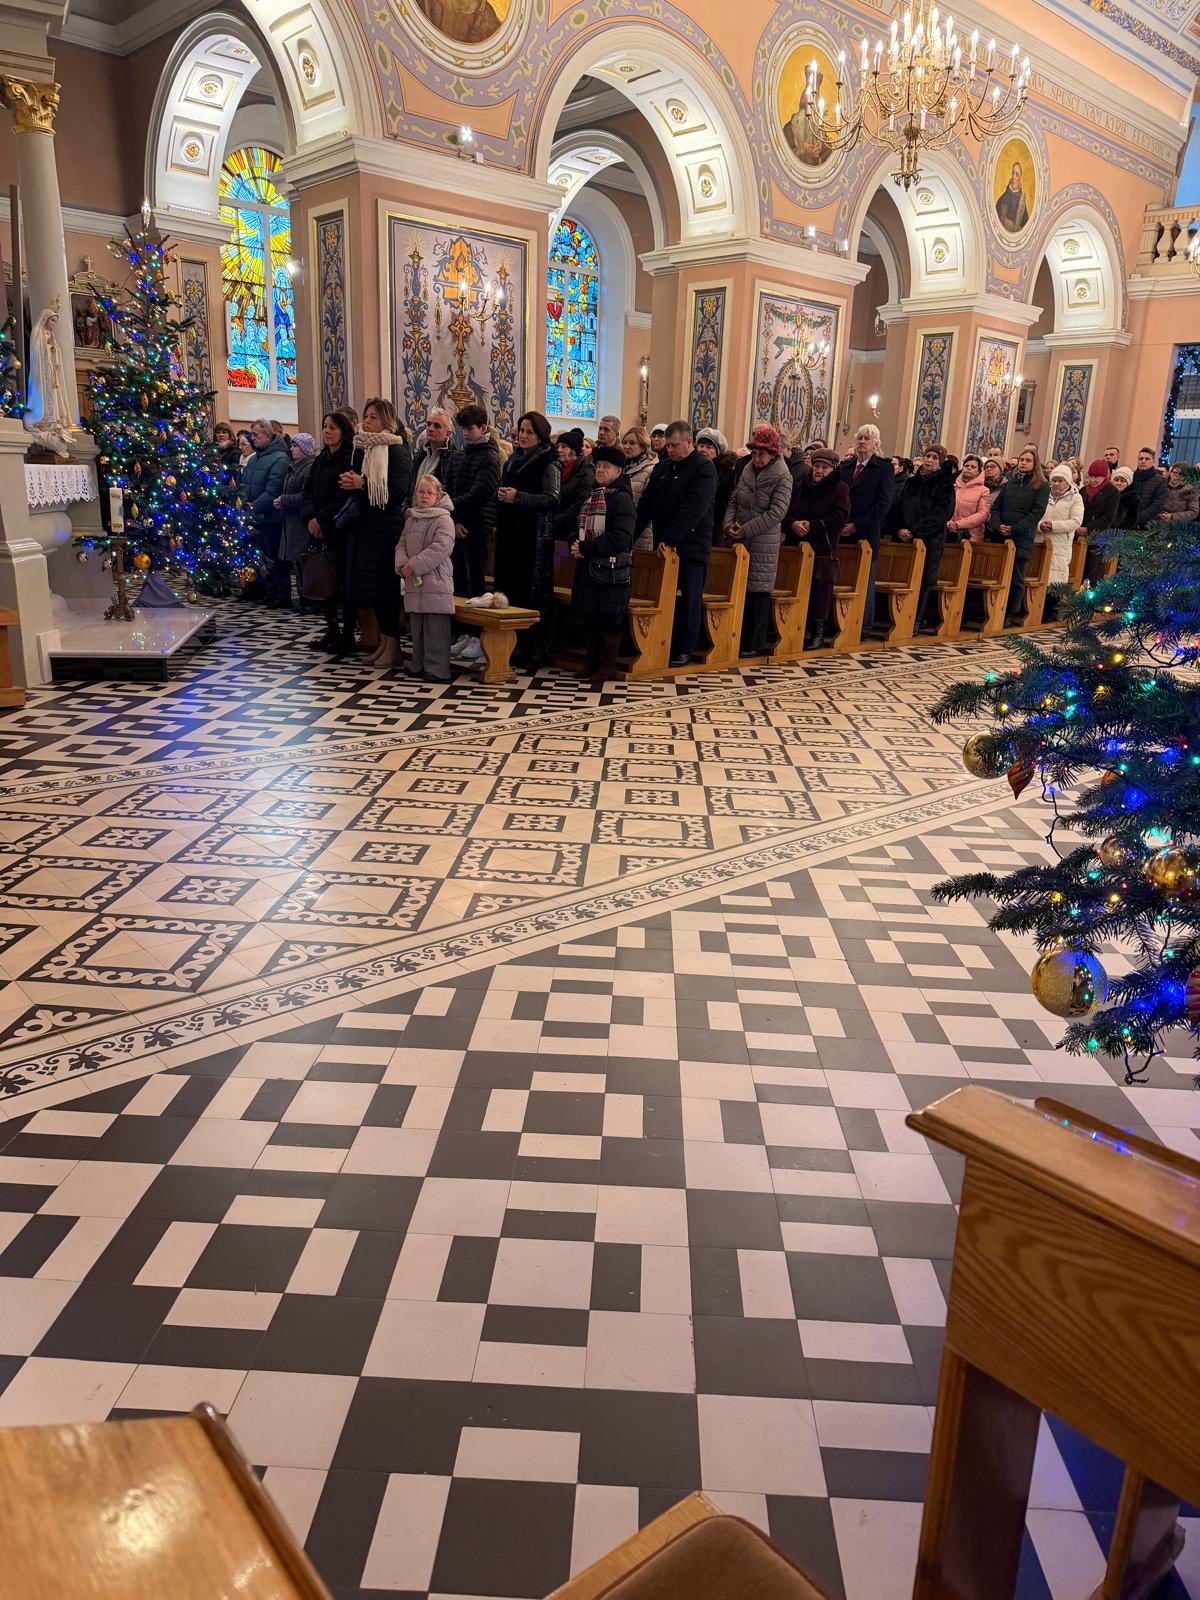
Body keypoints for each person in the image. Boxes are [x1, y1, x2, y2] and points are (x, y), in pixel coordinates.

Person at [635, 420, 717, 667]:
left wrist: (671, 538)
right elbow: (647, 505)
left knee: (690, 597)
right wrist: (629, 536)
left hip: (691, 544)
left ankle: (686, 647)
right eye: (667, 446)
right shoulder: (662, 468)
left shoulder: (703, 468)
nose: (668, 450)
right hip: (664, 545)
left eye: (674, 445)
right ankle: (662, 642)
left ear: (688, 442)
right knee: (663, 595)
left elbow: (694, 507)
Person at [339, 397, 411, 670]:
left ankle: (394, 646)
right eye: (366, 416)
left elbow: (398, 492)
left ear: (386, 421)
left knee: (386, 590)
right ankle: (384, 642)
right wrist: (352, 483)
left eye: (373, 417)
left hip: (386, 529)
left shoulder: (396, 450)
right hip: (367, 527)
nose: (367, 421)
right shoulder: (364, 449)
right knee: (373, 590)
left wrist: (363, 484)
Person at [495, 413, 561, 664]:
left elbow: (552, 499)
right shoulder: (512, 460)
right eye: (521, 430)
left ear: (540, 436)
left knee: (531, 592)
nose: (523, 435)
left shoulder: (549, 462)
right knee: (510, 587)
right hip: (511, 533)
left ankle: (535, 647)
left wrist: (518, 497)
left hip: (534, 536)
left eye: (529, 432)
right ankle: (512, 643)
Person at [569, 443, 635, 688]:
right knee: (589, 616)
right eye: (598, 466)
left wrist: (586, 548)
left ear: (618, 471)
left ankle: (607, 665)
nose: (600, 470)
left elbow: (622, 537)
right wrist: (574, 542)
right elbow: (576, 524)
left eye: (606, 466)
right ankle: (591, 662)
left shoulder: (622, 498)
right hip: (589, 568)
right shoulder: (593, 495)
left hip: (611, 571)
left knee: (609, 618)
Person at [725, 423, 793, 657]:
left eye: (761, 453)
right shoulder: (747, 470)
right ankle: (734, 639)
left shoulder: (783, 476)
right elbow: (734, 500)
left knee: (758, 593)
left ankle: (754, 643)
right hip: (739, 539)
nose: (756, 457)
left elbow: (776, 513)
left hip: (763, 543)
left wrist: (745, 530)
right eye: (754, 453)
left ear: (773, 454)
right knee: (738, 590)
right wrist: (728, 525)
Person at [302, 411, 357, 654]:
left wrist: (322, 520)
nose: (327, 431)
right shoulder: (320, 460)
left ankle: (348, 635)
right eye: (325, 426)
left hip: (340, 531)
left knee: (343, 584)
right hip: (318, 529)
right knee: (324, 580)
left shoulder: (350, 459)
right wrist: (310, 518)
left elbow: (343, 496)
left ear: (344, 431)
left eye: (333, 427)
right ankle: (332, 630)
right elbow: (307, 492)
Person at [888, 443, 956, 635]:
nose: (929, 460)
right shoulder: (912, 482)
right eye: (927, 456)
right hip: (905, 539)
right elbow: (897, 507)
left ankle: (917, 618)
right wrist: (899, 528)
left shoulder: (944, 485)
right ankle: (899, 616)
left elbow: (942, 514)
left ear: (940, 462)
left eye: (934, 458)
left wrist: (915, 531)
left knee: (925, 579)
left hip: (930, 540)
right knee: (904, 576)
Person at [786, 446, 849, 650]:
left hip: (823, 546)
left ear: (833, 469)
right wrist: (793, 523)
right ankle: (792, 627)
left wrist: (812, 526)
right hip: (797, 545)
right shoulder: (800, 486)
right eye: (816, 466)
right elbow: (786, 512)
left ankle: (818, 632)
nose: (819, 471)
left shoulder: (840, 489)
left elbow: (839, 518)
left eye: (824, 467)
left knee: (820, 589)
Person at [397, 474, 456, 683]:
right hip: (414, 580)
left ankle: (437, 668)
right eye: (421, 492)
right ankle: (418, 663)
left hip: (436, 580)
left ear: (437, 496)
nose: (424, 496)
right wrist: (402, 564)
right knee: (418, 625)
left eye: (429, 493)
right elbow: (401, 544)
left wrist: (413, 565)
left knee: (435, 627)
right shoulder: (412, 519)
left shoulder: (444, 519)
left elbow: (440, 548)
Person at [987, 443, 1050, 627]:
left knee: (1016, 577)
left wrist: (1015, 529)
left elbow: (1036, 512)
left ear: (1034, 464)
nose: (1023, 463)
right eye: (1021, 459)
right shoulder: (1010, 482)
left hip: (1022, 537)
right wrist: (997, 525)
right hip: (1001, 536)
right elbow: (996, 507)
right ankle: (994, 612)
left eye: (1028, 460)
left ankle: (1010, 614)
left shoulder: (1041, 485)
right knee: (998, 575)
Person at [839, 422, 894, 634]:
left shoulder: (883, 468)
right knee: (843, 577)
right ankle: (841, 623)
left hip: (866, 533)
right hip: (842, 531)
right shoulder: (845, 467)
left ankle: (863, 625)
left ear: (876, 444)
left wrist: (857, 525)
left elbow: (883, 504)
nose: (862, 442)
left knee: (864, 580)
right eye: (860, 438)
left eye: (867, 438)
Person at [448, 402, 500, 600]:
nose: (465, 433)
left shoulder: (490, 457)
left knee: (474, 584)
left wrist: (448, 506)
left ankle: (474, 621)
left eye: (470, 429)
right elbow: (447, 488)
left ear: (483, 428)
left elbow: (478, 495)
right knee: (456, 582)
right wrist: (454, 521)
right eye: (463, 429)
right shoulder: (458, 456)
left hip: (477, 527)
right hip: (456, 525)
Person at [241, 418, 291, 607]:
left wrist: (253, 507)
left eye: (256, 435)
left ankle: (282, 594)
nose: (252, 439)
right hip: (256, 518)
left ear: (268, 436)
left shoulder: (280, 458)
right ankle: (270, 591)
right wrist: (242, 502)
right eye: (251, 435)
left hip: (271, 518)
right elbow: (245, 484)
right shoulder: (255, 458)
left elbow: (273, 490)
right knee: (262, 559)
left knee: (275, 558)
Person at [276, 431, 318, 609]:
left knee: (305, 561)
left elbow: (306, 495)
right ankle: (302, 596)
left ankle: (308, 598)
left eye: (295, 446)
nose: (291, 449)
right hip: (291, 520)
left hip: (301, 520)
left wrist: (284, 500)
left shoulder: (309, 468)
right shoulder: (294, 466)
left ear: (305, 449)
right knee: (299, 561)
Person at [1038, 464, 1085, 616]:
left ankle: (1049, 611)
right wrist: (1040, 525)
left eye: (1061, 481)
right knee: (1037, 575)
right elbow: (1034, 514)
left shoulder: (1075, 498)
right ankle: (1033, 610)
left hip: (1060, 544)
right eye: (1054, 480)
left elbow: (1076, 521)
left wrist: (1053, 526)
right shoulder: (1043, 495)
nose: (1057, 484)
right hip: (1040, 541)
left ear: (1068, 482)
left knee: (1055, 577)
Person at [696, 427, 739, 538]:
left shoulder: (726, 473)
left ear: (718, 451)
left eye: (709, 447)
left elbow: (724, 503)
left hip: (713, 526)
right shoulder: (692, 468)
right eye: (701, 446)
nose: (703, 450)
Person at [552, 427, 595, 537]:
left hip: (571, 530)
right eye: (558, 446)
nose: (559, 450)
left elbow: (581, 503)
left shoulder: (586, 472)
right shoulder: (558, 468)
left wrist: (558, 519)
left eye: (564, 446)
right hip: (557, 526)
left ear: (574, 450)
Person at [620, 426, 657, 544]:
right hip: (621, 529)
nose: (626, 446)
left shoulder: (651, 469)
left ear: (643, 446)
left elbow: (647, 507)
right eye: (624, 442)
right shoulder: (621, 468)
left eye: (632, 443)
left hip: (641, 533)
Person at [412, 409, 460, 497]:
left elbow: (451, 493)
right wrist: (406, 505)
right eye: (429, 424)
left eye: (437, 426)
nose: (430, 429)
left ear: (447, 434)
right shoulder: (420, 455)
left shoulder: (454, 458)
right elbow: (410, 489)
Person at [947, 454, 991, 543]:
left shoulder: (984, 490)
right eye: (966, 466)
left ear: (979, 471)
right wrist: (948, 523)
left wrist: (957, 524)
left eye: (973, 467)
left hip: (970, 537)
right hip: (948, 534)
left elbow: (983, 514)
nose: (969, 468)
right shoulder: (953, 487)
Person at [1130, 446, 1169, 526]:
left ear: (1153, 462)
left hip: (1147, 524)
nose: (1143, 461)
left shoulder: (1160, 481)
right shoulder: (1130, 477)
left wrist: (1138, 519)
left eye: (1147, 459)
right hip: (1127, 521)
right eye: (1141, 459)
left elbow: (1157, 505)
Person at [995, 161, 1029, 233]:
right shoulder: (1003, 198)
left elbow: (1024, 226)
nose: (1013, 177)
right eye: (1013, 173)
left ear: (1020, 178)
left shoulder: (1022, 202)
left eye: (1017, 174)